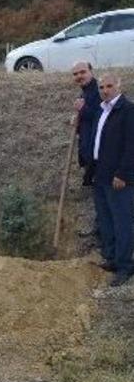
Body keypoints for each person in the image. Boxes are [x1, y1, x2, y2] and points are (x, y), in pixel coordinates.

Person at [91, 73, 134, 287]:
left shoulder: (128, 110)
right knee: (107, 219)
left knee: (121, 221)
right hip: (101, 174)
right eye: (101, 87)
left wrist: (123, 174)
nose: (105, 90)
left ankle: (126, 266)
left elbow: (131, 146)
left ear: (118, 85)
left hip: (118, 177)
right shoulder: (103, 110)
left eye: (109, 86)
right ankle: (114, 259)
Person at [72, 61, 102, 187]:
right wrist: (77, 121)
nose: (79, 76)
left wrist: (83, 109)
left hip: (98, 156)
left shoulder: (99, 90)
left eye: (83, 72)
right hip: (89, 152)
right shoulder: (85, 92)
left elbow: (101, 119)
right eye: (75, 74)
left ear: (91, 71)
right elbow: (88, 119)